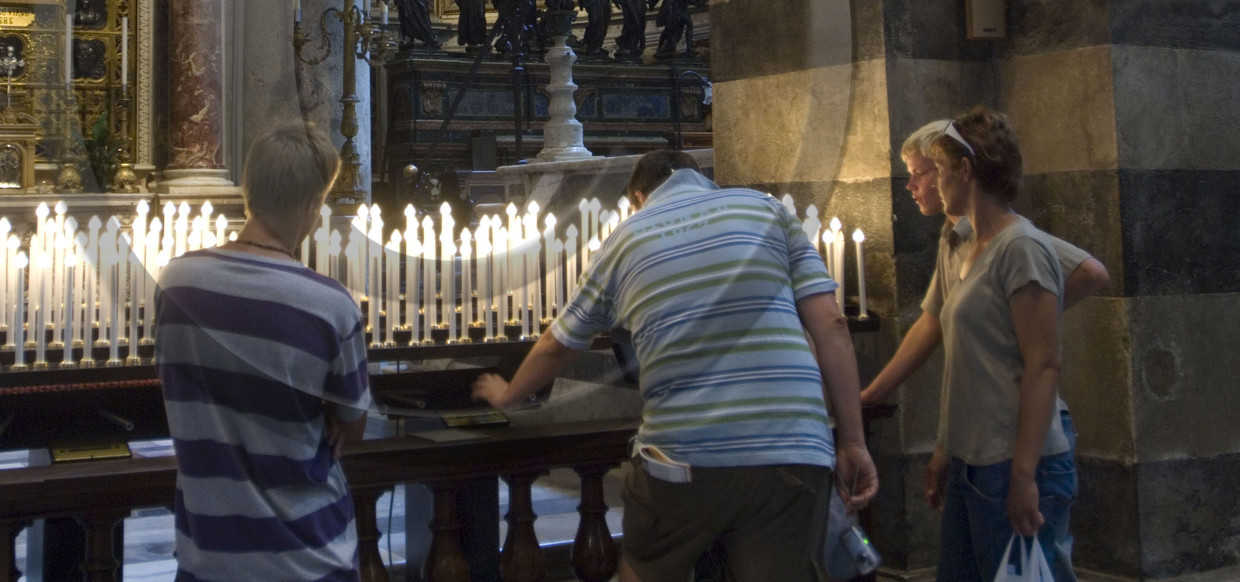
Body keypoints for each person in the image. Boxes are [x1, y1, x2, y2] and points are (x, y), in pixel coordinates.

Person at [474, 149, 878, 582]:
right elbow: (832, 324)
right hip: (793, 447)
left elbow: (559, 343)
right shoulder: (768, 210)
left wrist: (509, 393)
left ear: (638, 198)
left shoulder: (625, 237)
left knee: (645, 568)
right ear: (702, 180)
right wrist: (853, 441)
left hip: (685, 455)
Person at [154, 122, 372, 582]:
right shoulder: (329, 305)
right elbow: (351, 429)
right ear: (314, 203)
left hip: (209, 555)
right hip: (308, 559)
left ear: (249, 189)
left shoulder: (175, 282)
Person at [917, 108, 1078, 582]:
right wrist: (946, 446)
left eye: (941, 170)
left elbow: (1043, 366)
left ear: (966, 171)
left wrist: (1024, 475)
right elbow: (970, 366)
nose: (937, 181)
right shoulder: (967, 246)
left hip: (1013, 462)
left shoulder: (1020, 248)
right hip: (973, 460)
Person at [861, 120, 1109, 406]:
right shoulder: (951, 235)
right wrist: (870, 396)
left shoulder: (1000, 235)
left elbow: (1092, 272)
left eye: (922, 173)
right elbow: (932, 321)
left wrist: (1021, 317)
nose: (910, 185)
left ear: (957, 169)